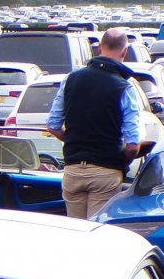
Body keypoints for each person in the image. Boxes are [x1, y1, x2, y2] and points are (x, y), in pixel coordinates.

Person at [46, 29, 143, 220]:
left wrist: (76, 141)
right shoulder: (124, 87)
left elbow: (53, 125)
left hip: (73, 170)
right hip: (105, 172)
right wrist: (121, 159)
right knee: (97, 230)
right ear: (124, 51)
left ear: (99, 47)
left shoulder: (71, 79)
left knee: (76, 231)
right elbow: (133, 146)